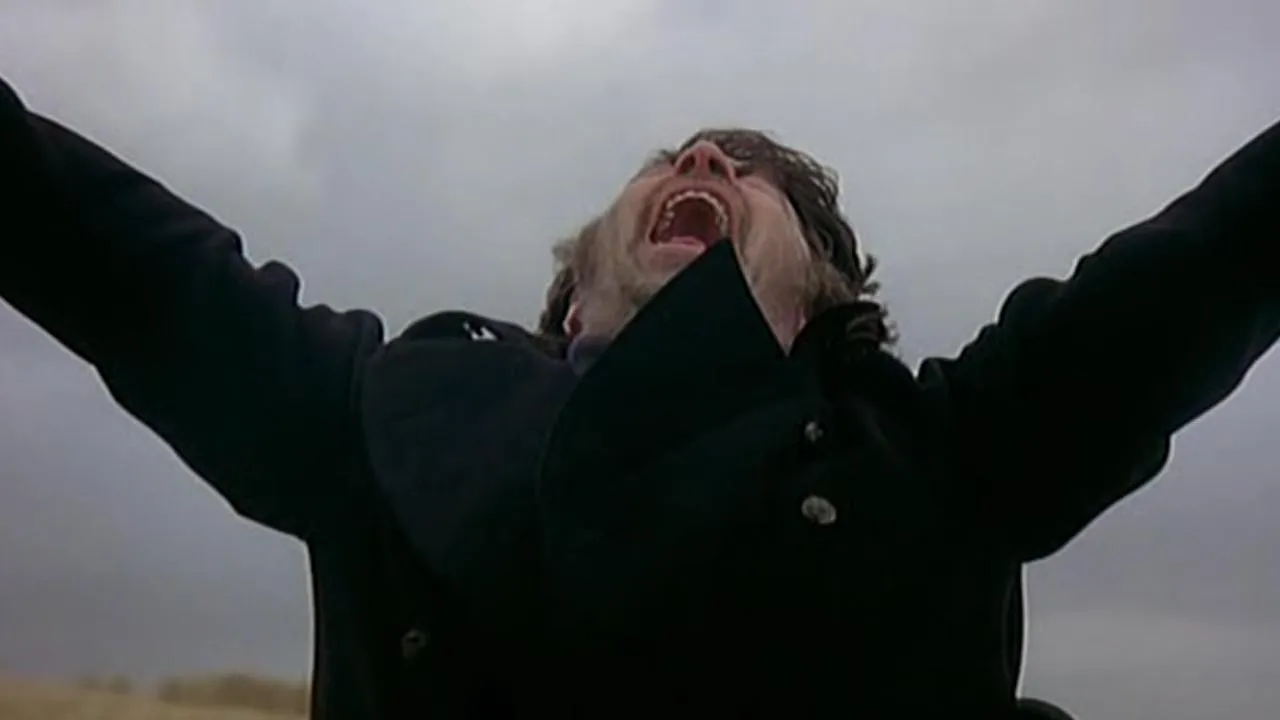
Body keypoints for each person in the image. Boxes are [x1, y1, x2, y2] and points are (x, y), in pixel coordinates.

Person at [1, 69, 1276, 719]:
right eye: (670, 159)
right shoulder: (380, 420)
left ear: (821, 296)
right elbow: (116, 256)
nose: (704, 156)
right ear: (571, 296)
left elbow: (1207, 264)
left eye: (757, 180)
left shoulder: (944, 456)